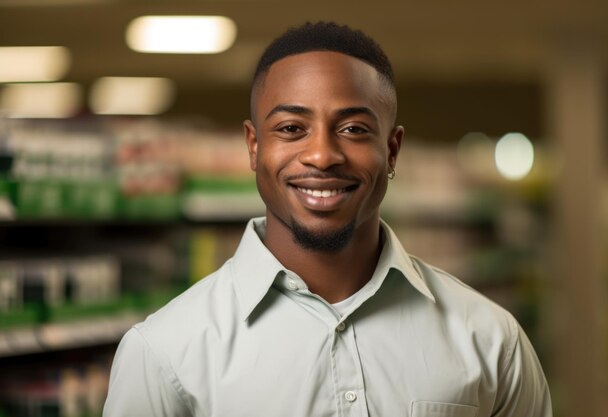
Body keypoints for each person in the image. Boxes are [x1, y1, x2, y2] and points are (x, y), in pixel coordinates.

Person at [103, 22, 552, 417]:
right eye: (291, 129)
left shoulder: (491, 340)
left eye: (354, 129)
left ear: (392, 151)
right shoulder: (163, 353)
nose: (321, 155)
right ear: (254, 146)